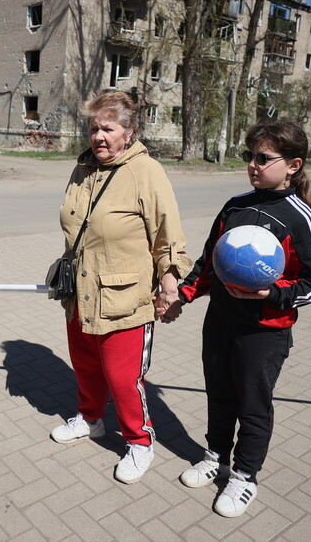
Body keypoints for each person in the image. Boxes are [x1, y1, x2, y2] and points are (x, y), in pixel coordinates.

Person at [160, 120, 311, 518]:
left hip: (264, 332)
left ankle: (245, 476)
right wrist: (182, 294)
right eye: (249, 156)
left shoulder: (300, 217)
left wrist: (272, 293)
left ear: (293, 165)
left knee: (253, 405)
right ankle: (215, 455)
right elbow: (210, 263)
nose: (253, 165)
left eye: (263, 158)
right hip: (220, 321)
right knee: (218, 395)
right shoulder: (235, 206)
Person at [49, 90, 192, 484]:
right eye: (93, 128)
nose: (98, 136)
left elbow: (169, 239)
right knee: (86, 366)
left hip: (126, 300)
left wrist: (168, 284)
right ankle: (91, 419)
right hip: (80, 292)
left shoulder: (146, 172)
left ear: (129, 131)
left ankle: (139, 442)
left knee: (123, 378)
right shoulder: (83, 168)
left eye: (108, 128)